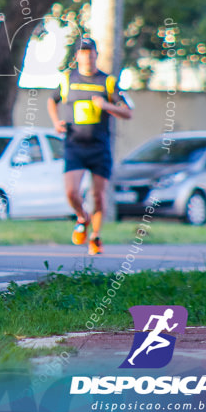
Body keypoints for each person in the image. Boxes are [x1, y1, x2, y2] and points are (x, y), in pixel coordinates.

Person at [47, 37, 132, 256]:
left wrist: (106, 105)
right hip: (74, 145)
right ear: (77, 56)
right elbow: (51, 100)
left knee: (98, 196)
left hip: (99, 147)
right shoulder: (68, 80)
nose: (87, 56)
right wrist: (56, 122)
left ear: (96, 54)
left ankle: (95, 236)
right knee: (71, 192)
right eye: (83, 52)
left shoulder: (107, 82)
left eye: (90, 52)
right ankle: (82, 217)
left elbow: (128, 112)